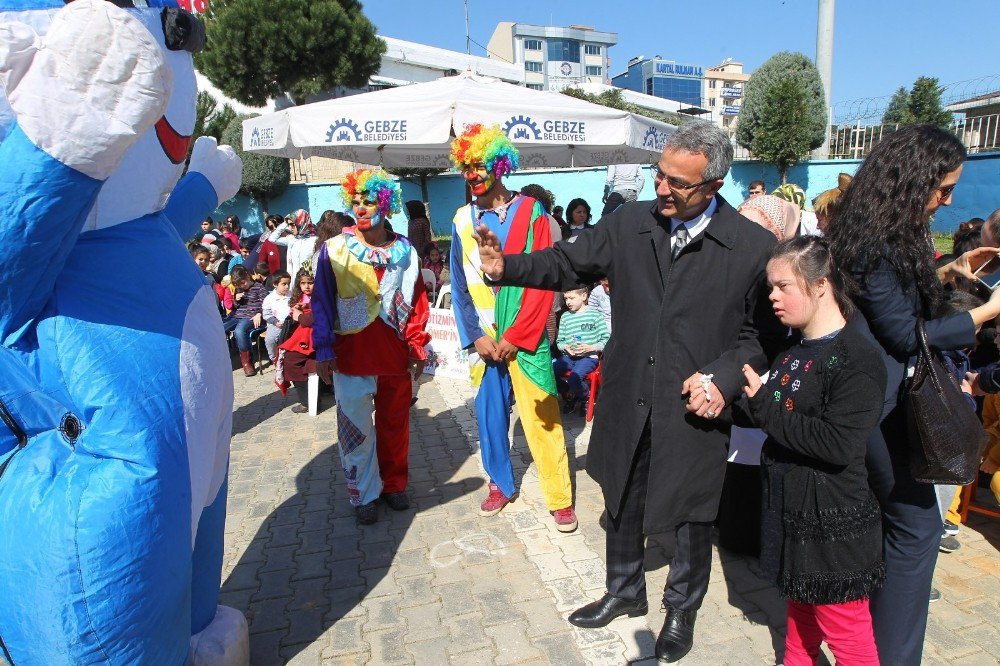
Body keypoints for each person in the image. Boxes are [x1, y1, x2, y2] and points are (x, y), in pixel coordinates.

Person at [472, 120, 784, 662]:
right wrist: (506, 268)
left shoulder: (751, 246)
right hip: (628, 392)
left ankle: (681, 610)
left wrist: (725, 377)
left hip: (695, 407)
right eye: (659, 175)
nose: (661, 189)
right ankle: (623, 591)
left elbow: (762, 335)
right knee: (620, 495)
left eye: (677, 183)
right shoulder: (630, 223)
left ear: (713, 185)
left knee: (691, 515)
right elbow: (567, 260)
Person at [826, 123, 1000, 664]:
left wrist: (949, 274)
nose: (947, 200)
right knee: (918, 528)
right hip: (879, 408)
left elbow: (899, 313)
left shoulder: (883, 232)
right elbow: (905, 336)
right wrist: (988, 311)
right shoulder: (876, 241)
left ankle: (870, 645)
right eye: (943, 188)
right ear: (910, 180)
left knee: (898, 526)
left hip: (879, 401)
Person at [738, 236, 886, 665]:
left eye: (783, 286)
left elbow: (839, 443)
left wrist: (763, 408)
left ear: (820, 285)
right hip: (794, 513)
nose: (773, 296)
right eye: (771, 286)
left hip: (834, 522)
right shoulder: (793, 351)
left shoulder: (857, 357)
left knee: (848, 635)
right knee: (800, 618)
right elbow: (778, 417)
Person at [449, 124, 577, 532]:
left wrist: (516, 337)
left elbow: (544, 279)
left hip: (525, 337)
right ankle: (499, 483)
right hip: (485, 340)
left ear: (499, 165)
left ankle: (558, 497)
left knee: (542, 416)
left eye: (479, 164)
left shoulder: (530, 212)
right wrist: (477, 336)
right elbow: (457, 283)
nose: (471, 173)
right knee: (489, 417)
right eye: (466, 166)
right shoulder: (460, 218)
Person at [312, 169, 430, 525]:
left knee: (395, 427)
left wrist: (417, 346)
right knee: (356, 432)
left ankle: (394, 486)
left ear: (386, 206)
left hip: (394, 358)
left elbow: (418, 301)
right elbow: (321, 302)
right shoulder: (333, 250)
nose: (362, 209)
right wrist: (323, 349)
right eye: (356, 202)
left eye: (370, 202)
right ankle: (364, 494)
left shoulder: (406, 252)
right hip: (352, 358)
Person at [553, 286, 609, 414]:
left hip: (588, 357)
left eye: (571, 298)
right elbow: (560, 341)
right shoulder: (565, 317)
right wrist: (565, 347)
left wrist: (593, 347)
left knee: (575, 377)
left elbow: (606, 339)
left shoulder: (595, 315)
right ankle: (569, 392)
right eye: (566, 298)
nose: (568, 302)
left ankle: (585, 396)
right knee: (549, 373)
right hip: (568, 357)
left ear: (584, 296)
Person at [275, 269, 316, 413]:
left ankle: (307, 402)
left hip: (315, 337)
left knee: (291, 360)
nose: (306, 286)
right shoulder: (302, 298)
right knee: (289, 355)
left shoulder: (321, 296)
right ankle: (312, 395)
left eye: (310, 283)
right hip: (305, 335)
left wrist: (300, 315)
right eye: (303, 283)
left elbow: (313, 318)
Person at [223, 265, 267, 377]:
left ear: (247, 276)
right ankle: (220, 358)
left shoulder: (259, 287)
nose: (242, 286)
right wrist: (236, 300)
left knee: (239, 331)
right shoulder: (239, 289)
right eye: (239, 285)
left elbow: (267, 304)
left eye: (243, 283)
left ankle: (247, 362)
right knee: (219, 328)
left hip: (251, 317)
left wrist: (259, 314)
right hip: (237, 315)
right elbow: (236, 307)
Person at [268, 209, 316, 282]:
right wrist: (284, 223)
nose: (290, 228)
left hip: (309, 282)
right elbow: (272, 239)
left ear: (301, 223)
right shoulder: (292, 239)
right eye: (289, 225)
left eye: (292, 224)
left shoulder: (314, 240)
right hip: (294, 282)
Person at [262, 270, 292, 362]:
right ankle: (274, 358)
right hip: (276, 325)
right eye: (284, 284)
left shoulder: (292, 295)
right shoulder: (269, 299)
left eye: (288, 284)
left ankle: (289, 358)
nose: (287, 287)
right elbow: (266, 314)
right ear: (275, 284)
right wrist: (275, 322)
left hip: (291, 324)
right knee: (270, 340)